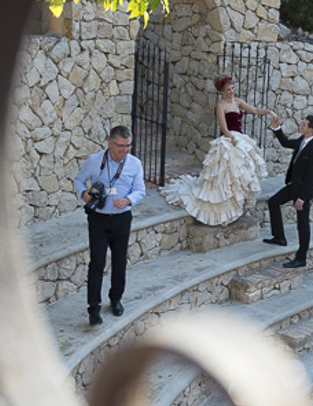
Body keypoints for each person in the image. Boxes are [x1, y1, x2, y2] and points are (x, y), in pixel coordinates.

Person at [161, 76, 274, 226]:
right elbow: (223, 128)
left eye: (232, 88)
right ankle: (224, 208)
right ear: (222, 92)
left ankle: (237, 204)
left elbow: (253, 110)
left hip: (239, 138)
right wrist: (231, 139)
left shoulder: (238, 101)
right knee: (226, 176)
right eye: (228, 90)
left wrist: (269, 112)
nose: (231, 92)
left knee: (242, 173)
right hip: (228, 140)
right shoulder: (220, 106)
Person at [73, 125, 146, 326]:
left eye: (128, 146)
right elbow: (79, 180)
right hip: (98, 218)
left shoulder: (134, 164)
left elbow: (140, 190)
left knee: (120, 261)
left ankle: (116, 299)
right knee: (96, 263)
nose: (125, 150)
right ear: (110, 143)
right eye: (121, 146)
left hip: (122, 218)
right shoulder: (94, 161)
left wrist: (129, 200)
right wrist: (84, 194)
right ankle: (93, 308)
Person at [262, 113, 313, 268]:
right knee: (273, 202)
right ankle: (279, 237)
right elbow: (285, 142)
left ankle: (301, 258)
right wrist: (277, 128)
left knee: (302, 225)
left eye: (304, 124)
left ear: (310, 130)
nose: (301, 125)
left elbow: (311, 177)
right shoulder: (302, 141)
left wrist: (302, 198)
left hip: (303, 191)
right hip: (293, 186)